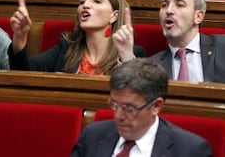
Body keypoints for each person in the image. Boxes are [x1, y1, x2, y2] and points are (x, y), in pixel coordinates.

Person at [71, 58, 212, 156]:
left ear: (156, 106)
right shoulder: (92, 136)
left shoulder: (189, 150)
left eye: (129, 109)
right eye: (114, 105)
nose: (118, 116)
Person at [9, 0, 146, 74]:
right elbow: (24, 73)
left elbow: (137, 94)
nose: (85, 5)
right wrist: (20, 38)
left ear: (114, 16)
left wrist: (126, 56)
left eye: (96, 1)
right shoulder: (66, 48)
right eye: (82, 1)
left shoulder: (133, 53)